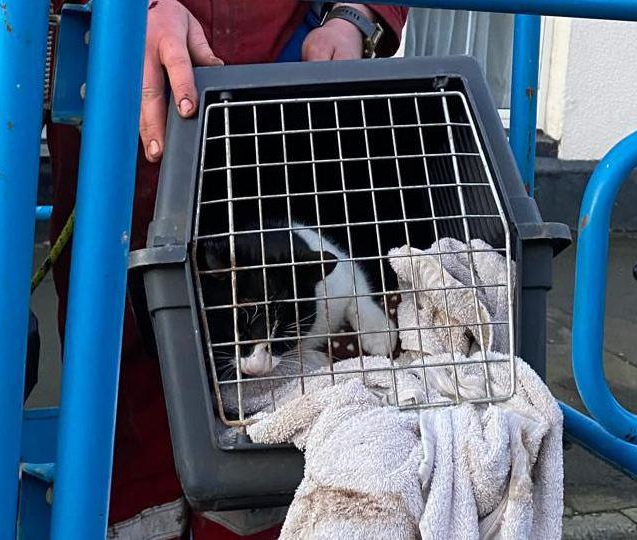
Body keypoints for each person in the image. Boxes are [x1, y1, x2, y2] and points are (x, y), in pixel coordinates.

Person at [45, 2, 408, 538]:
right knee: (119, 371)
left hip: (283, 108)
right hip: (123, 87)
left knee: (273, 444)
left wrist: (355, 17)